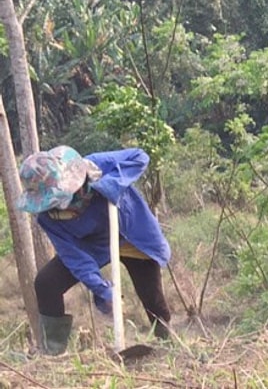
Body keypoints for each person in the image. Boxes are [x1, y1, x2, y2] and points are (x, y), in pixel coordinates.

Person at [17, 146, 172, 355]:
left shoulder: (93, 166)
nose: (61, 207)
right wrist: (102, 290)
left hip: (131, 235)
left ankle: (167, 347)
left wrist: (112, 183)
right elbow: (75, 257)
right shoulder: (47, 217)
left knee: (152, 299)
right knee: (46, 282)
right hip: (92, 247)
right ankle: (52, 353)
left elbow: (139, 157)